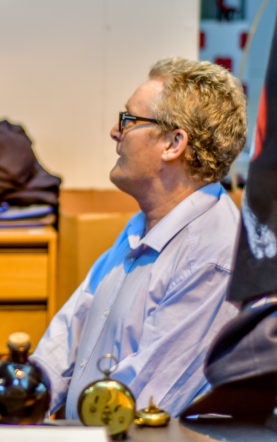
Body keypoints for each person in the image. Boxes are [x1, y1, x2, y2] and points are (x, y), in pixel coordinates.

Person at [30, 58, 247, 418]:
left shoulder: (213, 254)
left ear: (174, 143)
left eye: (129, 120)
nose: (115, 131)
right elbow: (69, 335)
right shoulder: (142, 226)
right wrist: (22, 405)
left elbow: (143, 401)